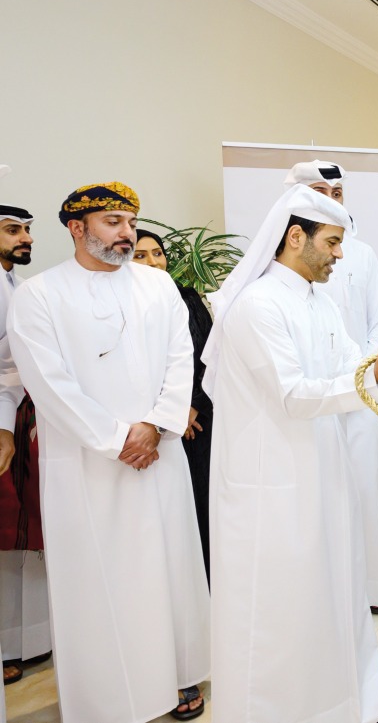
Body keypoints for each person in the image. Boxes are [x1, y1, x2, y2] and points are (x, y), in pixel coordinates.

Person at [203, 185, 378, 723]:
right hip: (271, 488)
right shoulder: (257, 307)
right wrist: (376, 375)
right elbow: (295, 395)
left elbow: (353, 364)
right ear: (295, 238)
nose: (341, 255)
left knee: (336, 597)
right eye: (333, 242)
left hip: (323, 471)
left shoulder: (317, 300)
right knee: (285, 613)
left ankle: (355, 704)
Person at [8, 182, 210, 722]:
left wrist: (156, 425)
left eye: (130, 222)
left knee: (168, 568)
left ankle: (178, 676)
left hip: (158, 456)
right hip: (86, 465)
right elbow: (47, 383)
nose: (128, 233)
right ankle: (104, 697)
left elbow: (180, 358)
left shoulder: (158, 284)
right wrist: (117, 437)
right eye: (113, 222)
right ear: (77, 228)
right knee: (99, 580)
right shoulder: (39, 295)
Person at [287, 160, 378, 615]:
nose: (330, 201)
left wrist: (364, 373)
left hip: (360, 393)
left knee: (364, 490)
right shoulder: (277, 266)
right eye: (319, 192)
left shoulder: (361, 253)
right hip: (306, 401)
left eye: (337, 193)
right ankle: (328, 595)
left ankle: (369, 591)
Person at [133, 229, 215, 580]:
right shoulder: (126, 305)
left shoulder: (188, 297)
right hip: (148, 424)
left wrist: (191, 406)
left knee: (201, 504)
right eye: (141, 255)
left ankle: (208, 588)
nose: (153, 262)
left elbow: (209, 355)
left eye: (157, 253)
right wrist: (167, 414)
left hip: (196, 421)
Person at [0, 180, 50, 686]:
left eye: (27, 231)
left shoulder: (17, 284)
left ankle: (28, 639)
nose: (25, 239)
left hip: (23, 417)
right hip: (4, 420)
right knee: (7, 534)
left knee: (27, 534)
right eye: (13, 230)